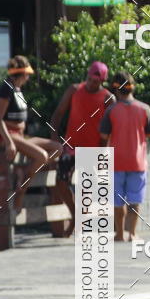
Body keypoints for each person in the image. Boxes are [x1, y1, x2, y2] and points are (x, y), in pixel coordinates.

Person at [0, 56, 63, 213]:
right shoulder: (6, 89)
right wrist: (9, 142)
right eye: (27, 74)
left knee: (57, 148)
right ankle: (21, 192)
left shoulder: (18, 89)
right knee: (42, 156)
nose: (28, 78)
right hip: (7, 137)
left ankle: (24, 171)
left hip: (20, 136)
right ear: (21, 73)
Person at [50, 61, 114, 235]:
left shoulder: (108, 98)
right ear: (87, 76)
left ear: (102, 80)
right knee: (60, 183)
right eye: (90, 79)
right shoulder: (74, 90)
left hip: (93, 150)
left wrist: (104, 151)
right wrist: (54, 137)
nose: (92, 83)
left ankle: (79, 225)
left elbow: (111, 127)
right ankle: (75, 216)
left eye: (96, 81)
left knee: (87, 190)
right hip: (70, 146)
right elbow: (58, 114)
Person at [99, 71, 150, 242]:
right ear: (132, 88)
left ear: (116, 89)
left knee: (117, 201)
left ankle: (119, 234)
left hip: (116, 162)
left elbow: (103, 135)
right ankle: (132, 233)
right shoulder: (145, 109)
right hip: (137, 162)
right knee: (135, 199)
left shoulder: (111, 111)